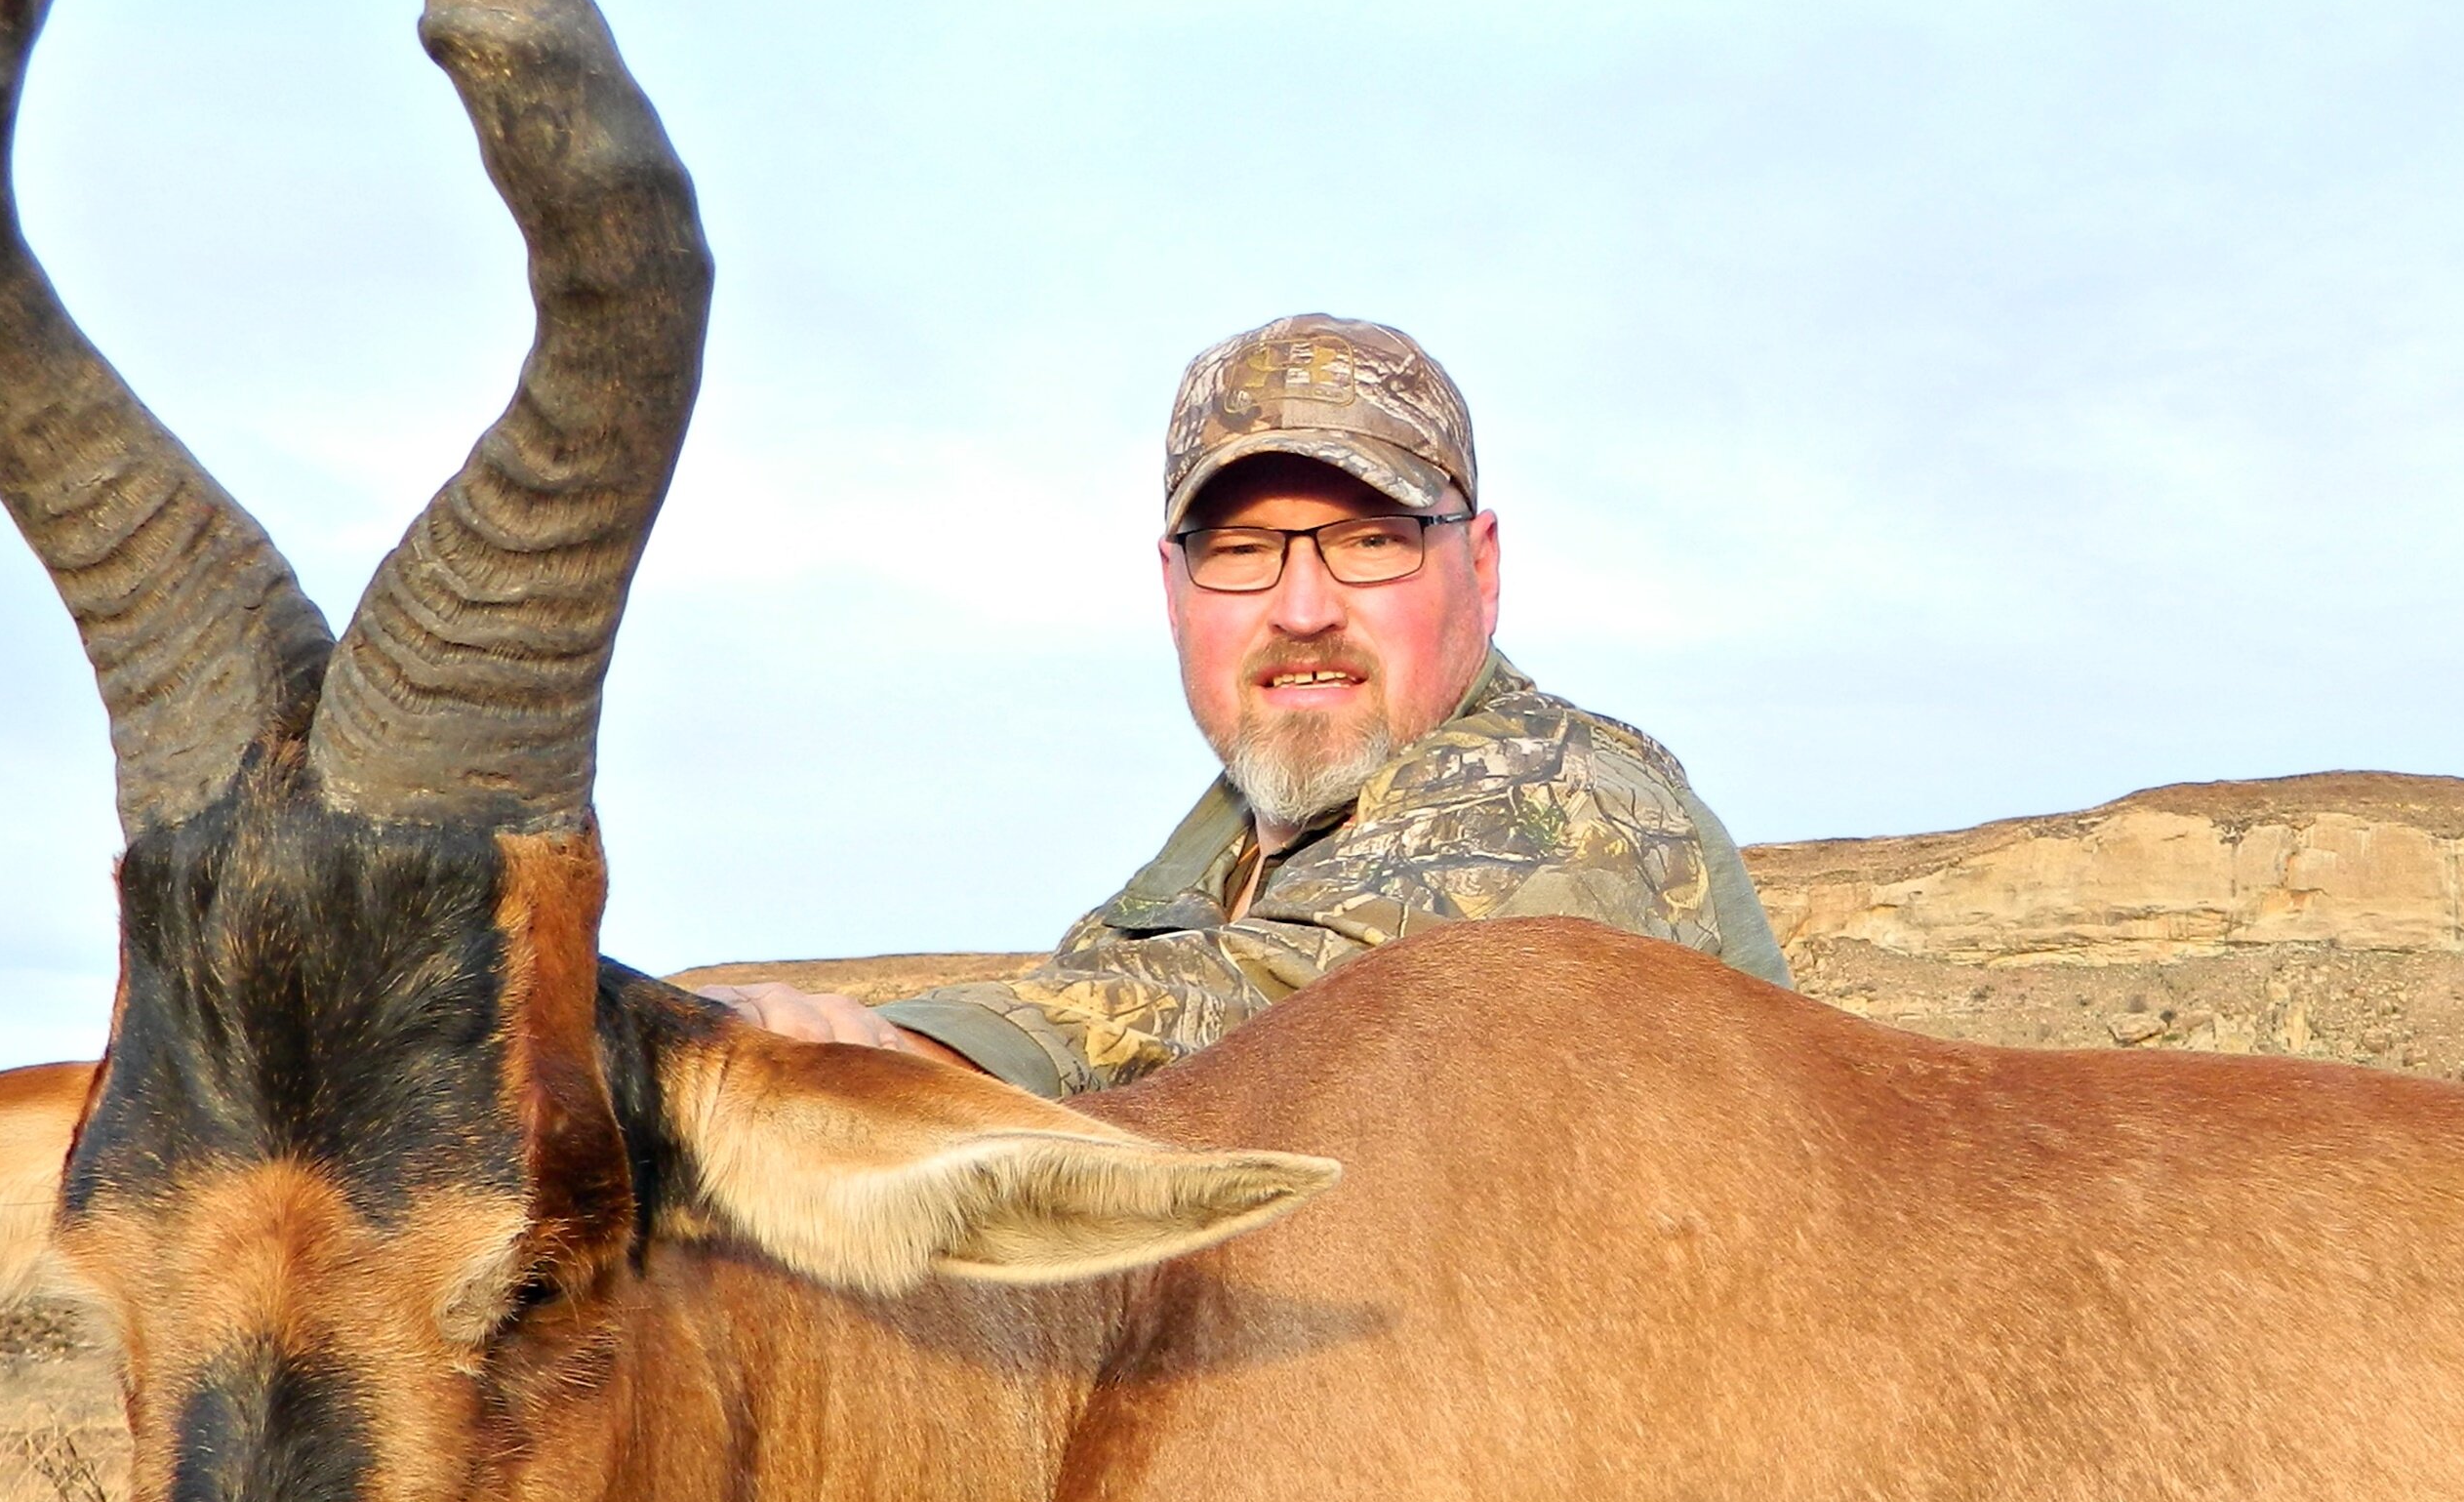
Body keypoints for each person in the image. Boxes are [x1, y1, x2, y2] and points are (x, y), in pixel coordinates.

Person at [701, 314, 1784, 1095]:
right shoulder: (1180, 896)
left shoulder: (1571, 795)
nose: (1303, 608)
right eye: (1242, 552)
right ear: (1173, 593)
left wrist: (892, 1057)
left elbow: (1319, 1000)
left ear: (1481, 567)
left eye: (1371, 543)